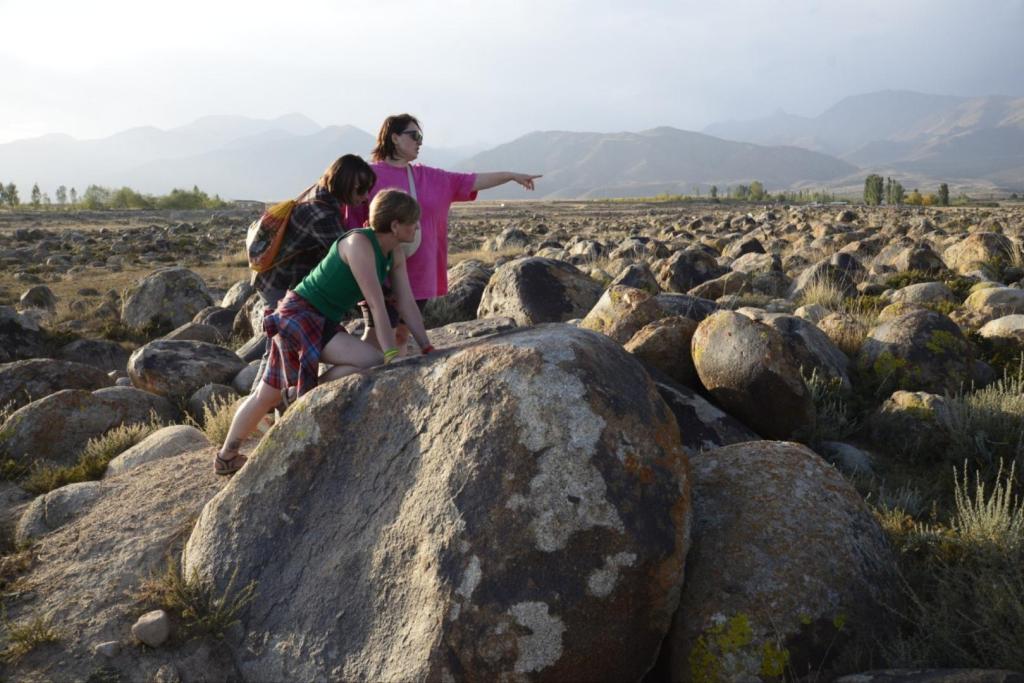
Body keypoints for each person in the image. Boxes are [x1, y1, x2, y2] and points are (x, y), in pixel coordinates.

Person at [215, 189, 433, 475]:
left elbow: (405, 301)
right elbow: (378, 306)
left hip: (323, 319)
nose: (417, 227)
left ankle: (299, 396)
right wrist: (391, 353)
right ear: (394, 225)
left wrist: (427, 347)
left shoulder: (393, 253)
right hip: (300, 314)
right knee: (268, 394)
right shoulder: (358, 244)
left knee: (272, 392)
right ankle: (227, 456)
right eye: (412, 222)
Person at [346, 113, 541, 345]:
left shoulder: (432, 177)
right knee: (377, 337)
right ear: (395, 137)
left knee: (400, 336)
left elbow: (473, 180)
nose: (420, 141)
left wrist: (511, 176)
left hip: (420, 272)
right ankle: (355, 377)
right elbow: (350, 224)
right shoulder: (368, 176)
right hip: (380, 272)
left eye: (421, 137)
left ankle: (388, 377)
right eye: (414, 135)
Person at [248, 154, 376, 389]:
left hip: (278, 278)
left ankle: (270, 400)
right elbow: (347, 261)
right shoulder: (321, 213)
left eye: (368, 189)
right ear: (344, 183)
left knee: (280, 345)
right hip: (280, 282)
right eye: (360, 189)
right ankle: (269, 401)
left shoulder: (321, 193)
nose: (365, 196)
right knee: (279, 347)